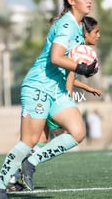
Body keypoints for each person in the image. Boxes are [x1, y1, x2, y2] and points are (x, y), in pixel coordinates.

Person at [0, 0, 98, 199]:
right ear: (71, 1)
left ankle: (32, 162)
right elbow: (56, 58)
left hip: (55, 89)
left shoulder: (77, 27)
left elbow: (69, 62)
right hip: (38, 85)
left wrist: (84, 69)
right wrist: (80, 67)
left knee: (78, 132)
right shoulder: (66, 25)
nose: (89, 0)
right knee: (28, 141)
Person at [6, 16, 102, 192]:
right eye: (96, 31)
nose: (99, 35)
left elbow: (69, 77)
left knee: (38, 141)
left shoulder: (74, 47)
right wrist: (67, 101)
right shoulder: (73, 49)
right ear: (85, 32)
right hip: (50, 96)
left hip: (52, 96)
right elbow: (68, 78)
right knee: (48, 137)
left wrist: (86, 87)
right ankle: (18, 171)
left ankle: (12, 177)